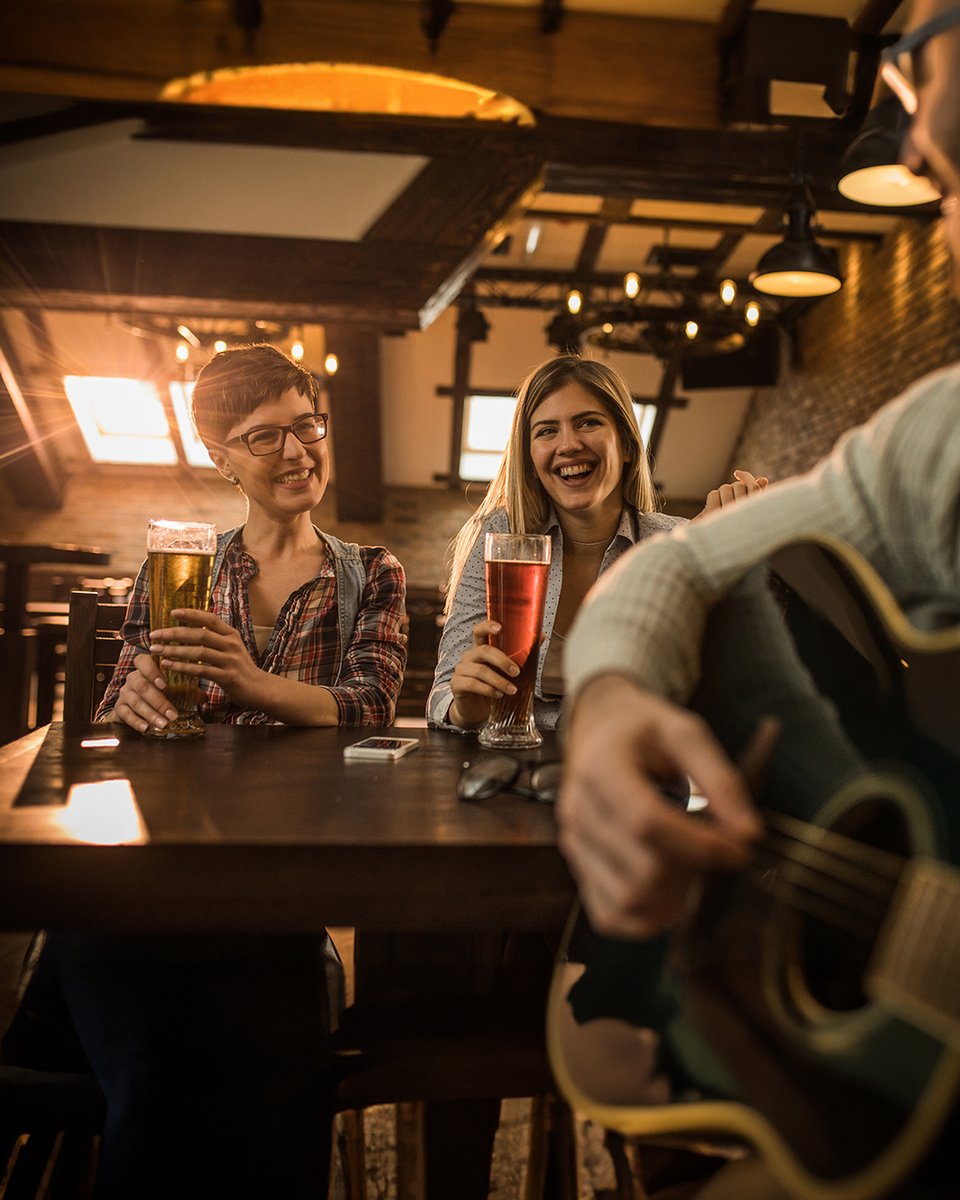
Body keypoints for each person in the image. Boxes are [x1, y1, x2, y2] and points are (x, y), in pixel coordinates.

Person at [556, 1, 960, 1192]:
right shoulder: (943, 438)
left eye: (921, 57)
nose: (909, 128)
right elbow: (673, 571)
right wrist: (611, 708)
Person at [2, 343, 408, 1199]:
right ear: (221, 458)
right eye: (265, 438)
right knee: (155, 1076)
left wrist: (251, 683)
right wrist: (139, 696)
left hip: (274, 891)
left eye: (307, 427)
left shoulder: (370, 572)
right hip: (146, 888)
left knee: (275, 1085)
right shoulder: (177, 567)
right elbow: (110, 722)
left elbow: (371, 705)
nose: (299, 452)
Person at [428, 352, 766, 733]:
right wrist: (466, 710)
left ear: (625, 445)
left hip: (630, 764)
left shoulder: (677, 542)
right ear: (530, 456)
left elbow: (723, 686)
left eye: (588, 423)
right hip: (512, 760)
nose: (568, 444)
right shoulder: (501, 537)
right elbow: (442, 693)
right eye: (546, 430)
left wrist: (742, 550)